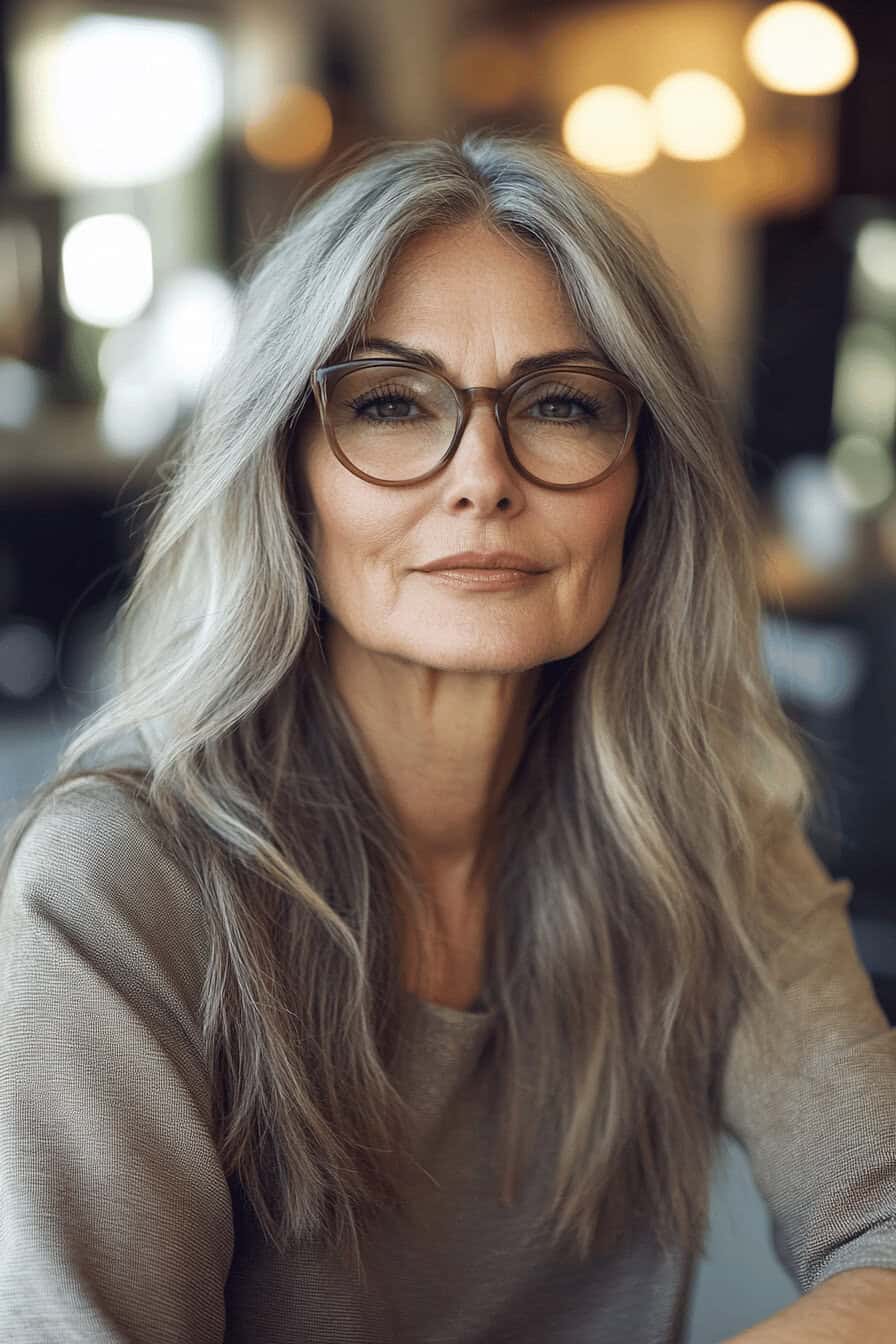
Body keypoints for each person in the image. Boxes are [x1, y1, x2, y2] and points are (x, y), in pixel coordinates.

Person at [0, 131, 894, 1344]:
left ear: (646, 479)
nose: (481, 477)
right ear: (287, 472)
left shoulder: (702, 834)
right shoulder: (111, 886)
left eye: (563, 405)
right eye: (386, 402)